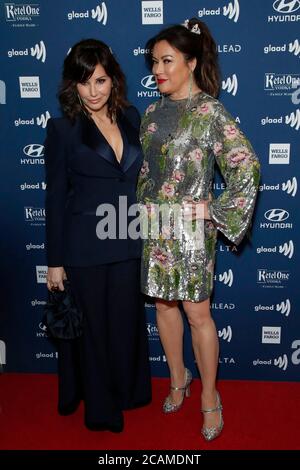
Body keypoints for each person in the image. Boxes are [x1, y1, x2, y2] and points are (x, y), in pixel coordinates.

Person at [137, 19, 260, 441]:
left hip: (191, 232)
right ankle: (178, 379)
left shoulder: (210, 111)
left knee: (196, 313)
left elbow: (246, 165)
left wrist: (213, 208)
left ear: (190, 62)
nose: (158, 70)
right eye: (154, 61)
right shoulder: (152, 111)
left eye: (167, 61)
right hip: (156, 225)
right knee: (163, 307)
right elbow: (149, 172)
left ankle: (210, 396)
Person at [45, 38, 151, 432]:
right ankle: (102, 411)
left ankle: (127, 391)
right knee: (93, 330)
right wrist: (54, 261)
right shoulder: (63, 129)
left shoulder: (133, 118)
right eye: (85, 82)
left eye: (101, 81)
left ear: (114, 82)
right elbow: (55, 198)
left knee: (124, 323)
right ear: (73, 85)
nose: (93, 91)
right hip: (84, 246)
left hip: (127, 237)